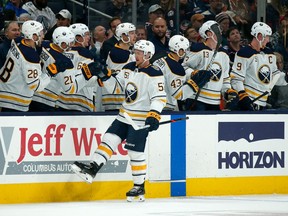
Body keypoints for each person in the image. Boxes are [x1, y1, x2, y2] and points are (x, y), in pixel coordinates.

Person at [72, 40, 167, 202]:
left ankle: (139, 186)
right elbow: (115, 87)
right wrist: (104, 74)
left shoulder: (155, 74)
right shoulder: (129, 68)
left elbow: (159, 98)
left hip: (139, 121)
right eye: (135, 51)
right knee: (109, 139)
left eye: (139, 53)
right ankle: (92, 168)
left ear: (148, 55)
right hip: (124, 115)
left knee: (135, 152)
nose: (135, 55)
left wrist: (154, 115)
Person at [231, 22, 287, 111]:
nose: (268, 40)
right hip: (248, 102)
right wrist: (243, 97)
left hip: (263, 103)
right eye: (267, 37)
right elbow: (236, 79)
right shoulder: (244, 53)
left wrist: (285, 77)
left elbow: (275, 76)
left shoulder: (269, 53)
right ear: (260, 36)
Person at [182, 20, 238, 111]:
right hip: (197, 99)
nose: (220, 32)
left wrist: (227, 91)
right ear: (208, 33)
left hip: (215, 101)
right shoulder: (198, 49)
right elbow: (184, 68)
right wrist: (194, 73)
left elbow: (225, 78)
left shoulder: (224, 54)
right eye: (216, 30)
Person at [0, 20, 55, 112]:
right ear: (34, 36)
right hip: (14, 100)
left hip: (4, 90)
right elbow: (36, 86)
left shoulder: (17, 41)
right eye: (40, 34)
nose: (43, 36)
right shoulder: (30, 56)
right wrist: (50, 73)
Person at [153, 34, 209, 111]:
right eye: (185, 50)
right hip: (165, 106)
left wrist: (191, 74)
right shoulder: (176, 68)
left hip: (153, 102)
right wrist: (194, 84)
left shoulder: (160, 57)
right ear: (180, 51)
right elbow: (179, 95)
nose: (187, 52)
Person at [29, 26, 75, 112]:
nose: (71, 45)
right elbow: (69, 89)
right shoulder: (65, 61)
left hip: (32, 94)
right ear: (62, 43)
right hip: (47, 100)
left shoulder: (42, 45)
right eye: (70, 43)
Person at [55, 23, 99, 112]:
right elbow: (89, 78)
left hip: (61, 100)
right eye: (86, 34)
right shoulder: (86, 54)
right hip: (81, 102)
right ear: (78, 38)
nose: (89, 37)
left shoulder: (61, 52)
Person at [102, 22, 137, 111]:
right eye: (132, 33)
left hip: (113, 100)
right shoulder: (119, 53)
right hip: (118, 101)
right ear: (124, 36)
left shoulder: (116, 50)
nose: (135, 36)